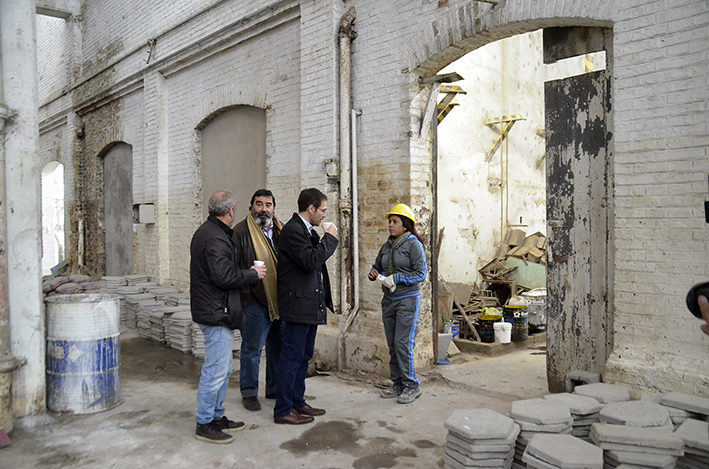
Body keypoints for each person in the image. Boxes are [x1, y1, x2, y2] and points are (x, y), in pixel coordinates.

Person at [190, 190, 266, 444]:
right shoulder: (215, 238)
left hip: (216, 309)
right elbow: (223, 276)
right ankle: (205, 422)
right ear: (231, 211)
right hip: (216, 312)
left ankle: (217, 416)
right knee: (216, 369)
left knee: (222, 369)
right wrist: (252, 274)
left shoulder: (211, 232)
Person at [273, 188, 338, 425]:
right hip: (297, 306)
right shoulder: (293, 231)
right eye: (322, 210)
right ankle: (283, 409)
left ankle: (297, 402)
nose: (323, 215)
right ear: (310, 209)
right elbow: (312, 261)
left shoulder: (305, 230)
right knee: (291, 357)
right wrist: (330, 238)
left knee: (303, 357)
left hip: (309, 305)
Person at [368, 203, 427, 404]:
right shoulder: (387, 245)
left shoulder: (413, 244)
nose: (390, 225)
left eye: (395, 222)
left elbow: (421, 274)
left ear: (406, 225)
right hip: (389, 300)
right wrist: (375, 273)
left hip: (407, 301)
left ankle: (412, 386)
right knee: (393, 345)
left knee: (403, 344)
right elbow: (377, 266)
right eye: (390, 222)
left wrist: (398, 278)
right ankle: (398, 384)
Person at [232, 189, 283, 411]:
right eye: (259, 204)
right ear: (251, 206)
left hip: (279, 299)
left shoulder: (281, 231)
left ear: (273, 208)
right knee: (252, 350)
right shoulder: (240, 233)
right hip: (254, 301)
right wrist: (246, 297)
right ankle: (249, 392)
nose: (263, 209)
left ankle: (273, 388)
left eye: (268, 205)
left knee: (277, 348)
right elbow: (233, 269)